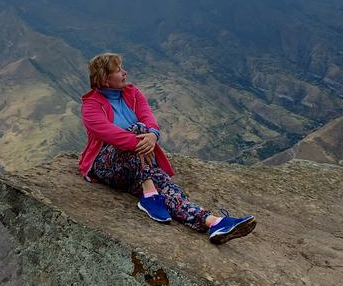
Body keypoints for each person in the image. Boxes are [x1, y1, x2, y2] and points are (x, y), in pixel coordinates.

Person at [78, 52, 256, 244]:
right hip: (106, 166)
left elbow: (149, 118)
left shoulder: (133, 93)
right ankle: (149, 193)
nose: (125, 72)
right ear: (105, 78)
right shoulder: (91, 107)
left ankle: (214, 223)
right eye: (118, 69)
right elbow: (113, 136)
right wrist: (145, 139)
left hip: (137, 165)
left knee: (169, 189)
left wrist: (153, 135)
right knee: (138, 130)